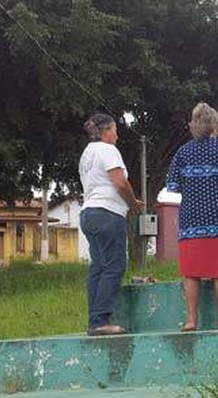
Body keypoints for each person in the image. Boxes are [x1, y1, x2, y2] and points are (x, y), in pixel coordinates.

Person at [166, 102, 218, 331]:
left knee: (191, 271)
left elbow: (172, 185)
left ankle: (191, 320)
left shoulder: (182, 152)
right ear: (215, 126)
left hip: (191, 216)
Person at [79, 113, 144, 336]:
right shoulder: (108, 150)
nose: (117, 135)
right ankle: (100, 321)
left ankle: (94, 319)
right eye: (115, 130)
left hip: (88, 212)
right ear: (106, 131)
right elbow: (119, 182)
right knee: (115, 265)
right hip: (108, 212)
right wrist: (133, 202)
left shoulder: (87, 153)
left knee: (98, 266)